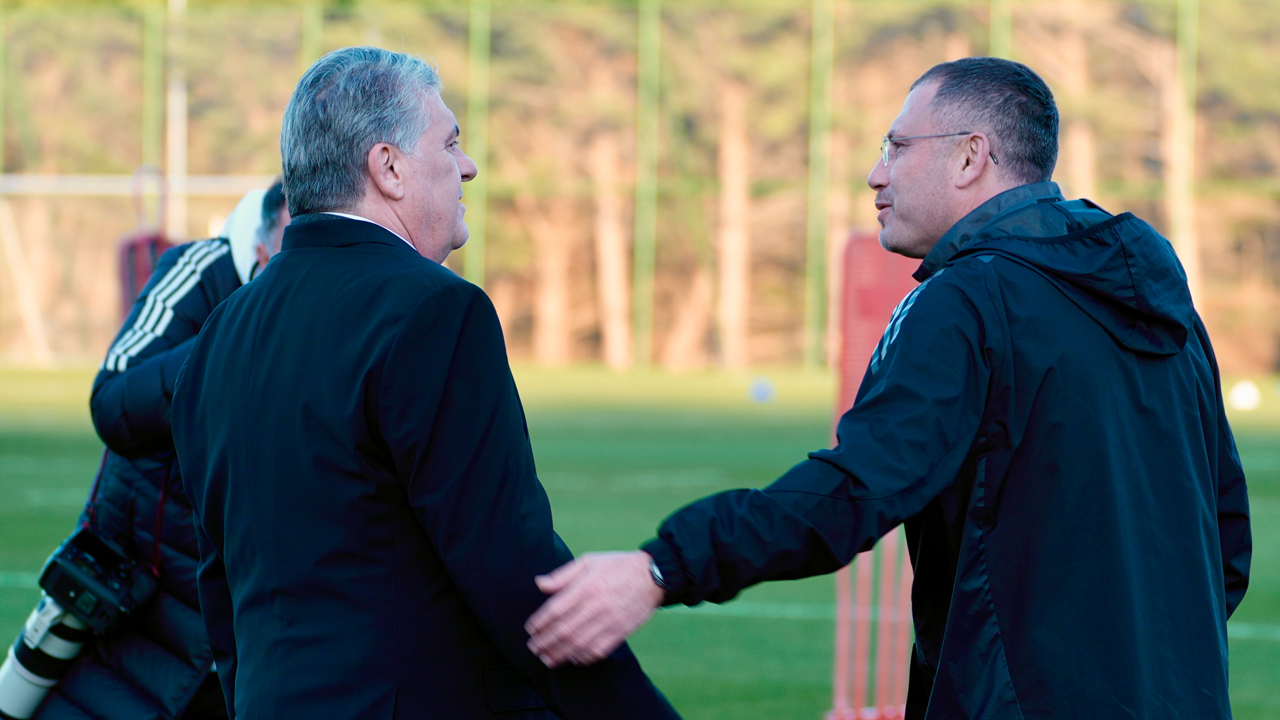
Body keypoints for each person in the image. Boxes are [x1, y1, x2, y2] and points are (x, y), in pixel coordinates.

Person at [526, 57, 1252, 720]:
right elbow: (1225, 542)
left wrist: (663, 565)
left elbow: (856, 491)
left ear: (971, 156)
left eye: (898, 147)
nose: (877, 173)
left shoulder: (969, 299)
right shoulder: (1159, 297)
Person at [169, 47, 678, 720]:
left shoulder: (223, 331)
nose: (467, 166)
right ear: (389, 168)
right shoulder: (434, 309)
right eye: (451, 142)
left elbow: (221, 584)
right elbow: (508, 569)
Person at [22, 183, 288, 720]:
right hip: (138, 591)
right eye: (294, 239)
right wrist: (237, 334)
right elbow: (113, 399)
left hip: (250, 619)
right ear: (261, 245)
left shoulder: (342, 307)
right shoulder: (201, 272)